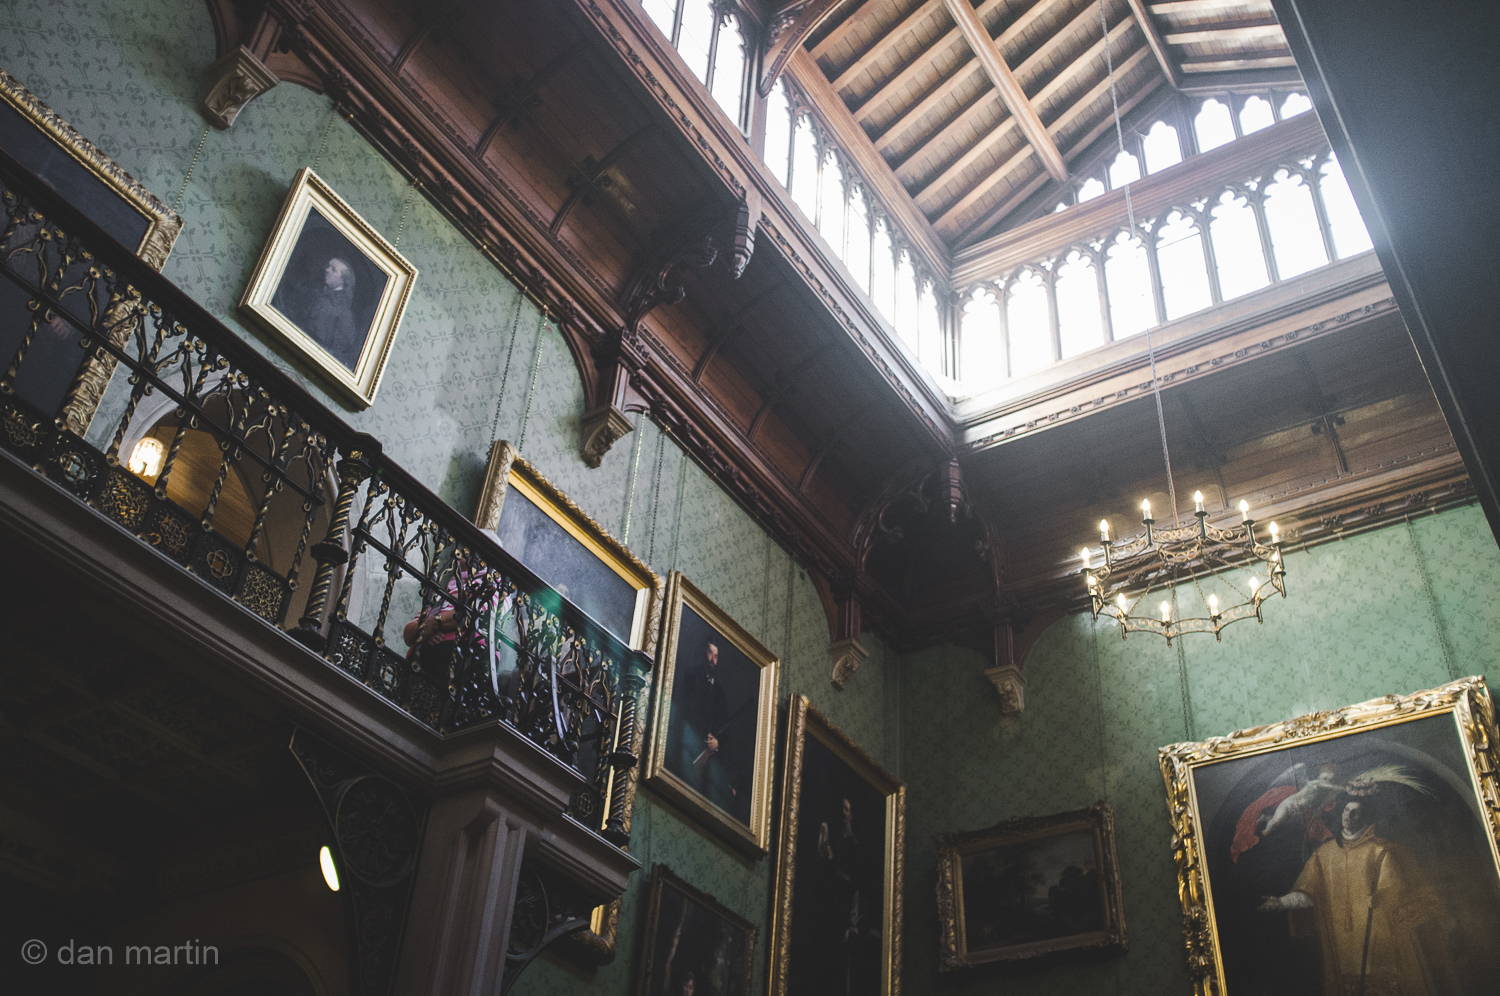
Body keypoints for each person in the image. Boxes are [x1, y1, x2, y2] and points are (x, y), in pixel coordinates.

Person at [1256, 796, 1445, 995]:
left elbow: (1394, 892)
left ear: (1365, 817)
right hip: (1342, 949)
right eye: (1346, 809)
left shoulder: (1380, 852)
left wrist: (1380, 897)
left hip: (1379, 944)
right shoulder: (1323, 855)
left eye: (1355, 811)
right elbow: (1308, 893)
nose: (1349, 815)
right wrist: (1279, 902)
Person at [667, 640, 742, 817]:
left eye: (716, 656)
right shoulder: (691, 676)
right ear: (703, 653)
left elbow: (724, 729)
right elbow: (686, 709)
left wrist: (716, 744)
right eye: (710, 653)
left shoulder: (720, 693)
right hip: (689, 739)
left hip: (710, 754)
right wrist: (704, 735)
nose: (712, 659)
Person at [279, 254, 364, 369]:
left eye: (333, 270)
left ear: (343, 281)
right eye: (328, 266)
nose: (327, 270)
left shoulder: (344, 313)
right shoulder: (316, 292)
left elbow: (340, 349)